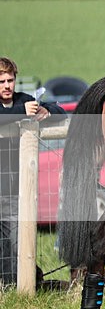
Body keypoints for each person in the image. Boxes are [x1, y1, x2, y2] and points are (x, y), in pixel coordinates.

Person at [1, 57, 68, 288]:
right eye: (1, 82)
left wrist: (45, 111)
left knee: (15, 242)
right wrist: (22, 112)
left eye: (10, 80)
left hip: (16, 190)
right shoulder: (20, 107)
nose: (7, 86)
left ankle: (16, 288)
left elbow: (61, 111)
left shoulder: (23, 100)